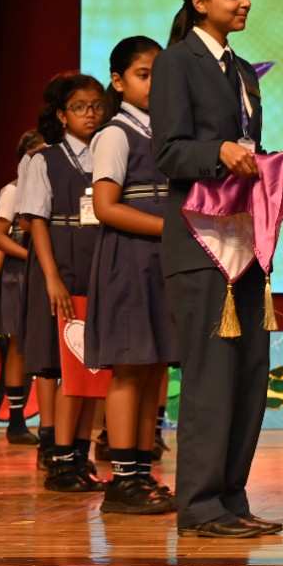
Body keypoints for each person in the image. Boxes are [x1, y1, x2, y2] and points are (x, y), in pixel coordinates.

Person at [151, 0, 277, 539]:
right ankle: (200, 506)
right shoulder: (176, 63)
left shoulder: (244, 71)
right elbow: (169, 152)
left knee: (249, 373)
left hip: (245, 240)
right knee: (210, 378)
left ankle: (231, 497)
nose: (245, 1)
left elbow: (252, 149)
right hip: (200, 245)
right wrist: (217, 152)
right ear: (199, 3)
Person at [85, 36, 177, 515]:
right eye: (144, 75)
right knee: (128, 368)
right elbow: (105, 207)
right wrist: (168, 228)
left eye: (160, 75)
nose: (154, 84)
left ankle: (142, 473)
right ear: (118, 82)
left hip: (160, 262)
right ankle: (122, 480)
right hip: (128, 260)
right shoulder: (115, 134)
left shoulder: (165, 132)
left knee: (153, 366)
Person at [19, 73, 108, 490]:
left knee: (92, 367)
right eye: (79, 107)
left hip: (98, 269)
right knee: (62, 368)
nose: (90, 114)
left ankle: (80, 456)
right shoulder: (44, 160)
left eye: (96, 106)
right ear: (61, 114)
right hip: (59, 270)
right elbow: (36, 221)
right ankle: (59, 460)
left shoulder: (110, 154)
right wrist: (52, 278)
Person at [0, 130, 46, 445]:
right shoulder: (12, 191)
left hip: (41, 273)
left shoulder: (50, 188)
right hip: (17, 276)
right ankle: (17, 421)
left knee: (37, 346)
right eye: (35, 154)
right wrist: (31, 256)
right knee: (18, 346)